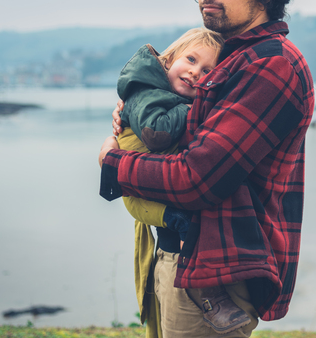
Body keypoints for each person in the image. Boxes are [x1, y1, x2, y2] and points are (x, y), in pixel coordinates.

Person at [99, 0, 315, 337]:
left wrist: (113, 163)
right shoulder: (233, 59)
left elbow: (195, 179)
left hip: (213, 278)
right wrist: (136, 112)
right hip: (183, 259)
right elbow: (184, 136)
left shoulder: (270, 66)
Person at [116, 27, 251, 334]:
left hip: (147, 197)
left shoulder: (157, 94)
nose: (195, 73)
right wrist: (192, 109)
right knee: (186, 225)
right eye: (190, 59)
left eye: (207, 71)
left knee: (185, 225)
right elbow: (157, 134)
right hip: (142, 197)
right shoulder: (150, 94)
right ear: (168, 60)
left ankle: (209, 295)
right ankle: (209, 297)